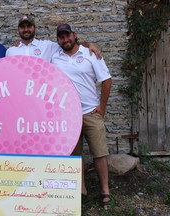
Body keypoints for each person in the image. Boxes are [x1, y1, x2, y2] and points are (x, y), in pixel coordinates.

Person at [51, 23, 112, 210]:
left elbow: (106, 80)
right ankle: (80, 191)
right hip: (68, 115)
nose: (65, 39)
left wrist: (102, 107)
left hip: (91, 112)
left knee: (99, 153)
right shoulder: (54, 57)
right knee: (75, 155)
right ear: (58, 40)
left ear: (74, 35)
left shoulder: (90, 53)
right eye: (61, 37)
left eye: (67, 36)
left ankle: (105, 191)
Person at [6, 14, 102, 60]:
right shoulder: (10, 51)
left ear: (34, 28)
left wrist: (89, 44)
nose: (26, 29)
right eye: (22, 27)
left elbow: (67, 44)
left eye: (29, 26)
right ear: (18, 30)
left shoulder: (47, 46)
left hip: (41, 96)